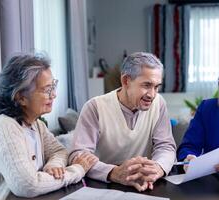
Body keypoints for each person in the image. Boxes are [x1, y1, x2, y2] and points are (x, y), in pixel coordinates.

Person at [0, 54, 98, 200]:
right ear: (21, 97)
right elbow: (27, 186)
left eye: (53, 86)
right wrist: (77, 170)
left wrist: (54, 165)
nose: (54, 95)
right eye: (47, 90)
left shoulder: (35, 123)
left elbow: (59, 151)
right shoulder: (3, 127)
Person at [70, 52, 176, 191]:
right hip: (103, 186)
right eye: (146, 85)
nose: (152, 94)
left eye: (156, 87)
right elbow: (78, 155)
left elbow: (166, 146)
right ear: (126, 81)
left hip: (145, 184)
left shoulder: (159, 103)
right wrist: (114, 173)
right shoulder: (95, 107)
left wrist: (157, 168)